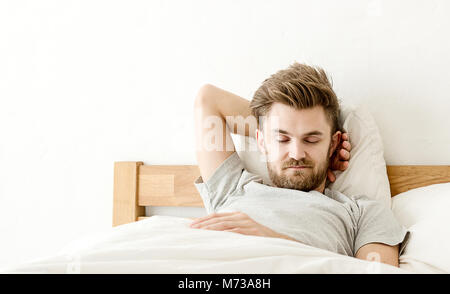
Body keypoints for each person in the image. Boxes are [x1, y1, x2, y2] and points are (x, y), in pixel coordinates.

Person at [191, 62, 408, 267]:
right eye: (282, 139)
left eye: (312, 140)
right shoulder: (232, 188)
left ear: (333, 144)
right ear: (261, 142)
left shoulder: (363, 213)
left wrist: (274, 240)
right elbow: (208, 98)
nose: (296, 154)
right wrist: (271, 126)